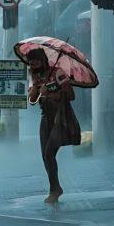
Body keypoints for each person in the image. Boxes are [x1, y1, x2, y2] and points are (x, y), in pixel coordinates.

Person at [27, 48, 79, 204]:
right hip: (45, 118)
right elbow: (32, 100)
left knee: (50, 154)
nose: (33, 66)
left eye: (36, 63)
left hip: (60, 117)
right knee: (45, 156)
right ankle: (55, 187)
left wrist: (49, 92)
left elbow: (71, 95)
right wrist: (35, 89)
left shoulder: (58, 73)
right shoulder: (34, 75)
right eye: (31, 64)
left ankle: (54, 190)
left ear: (43, 60)